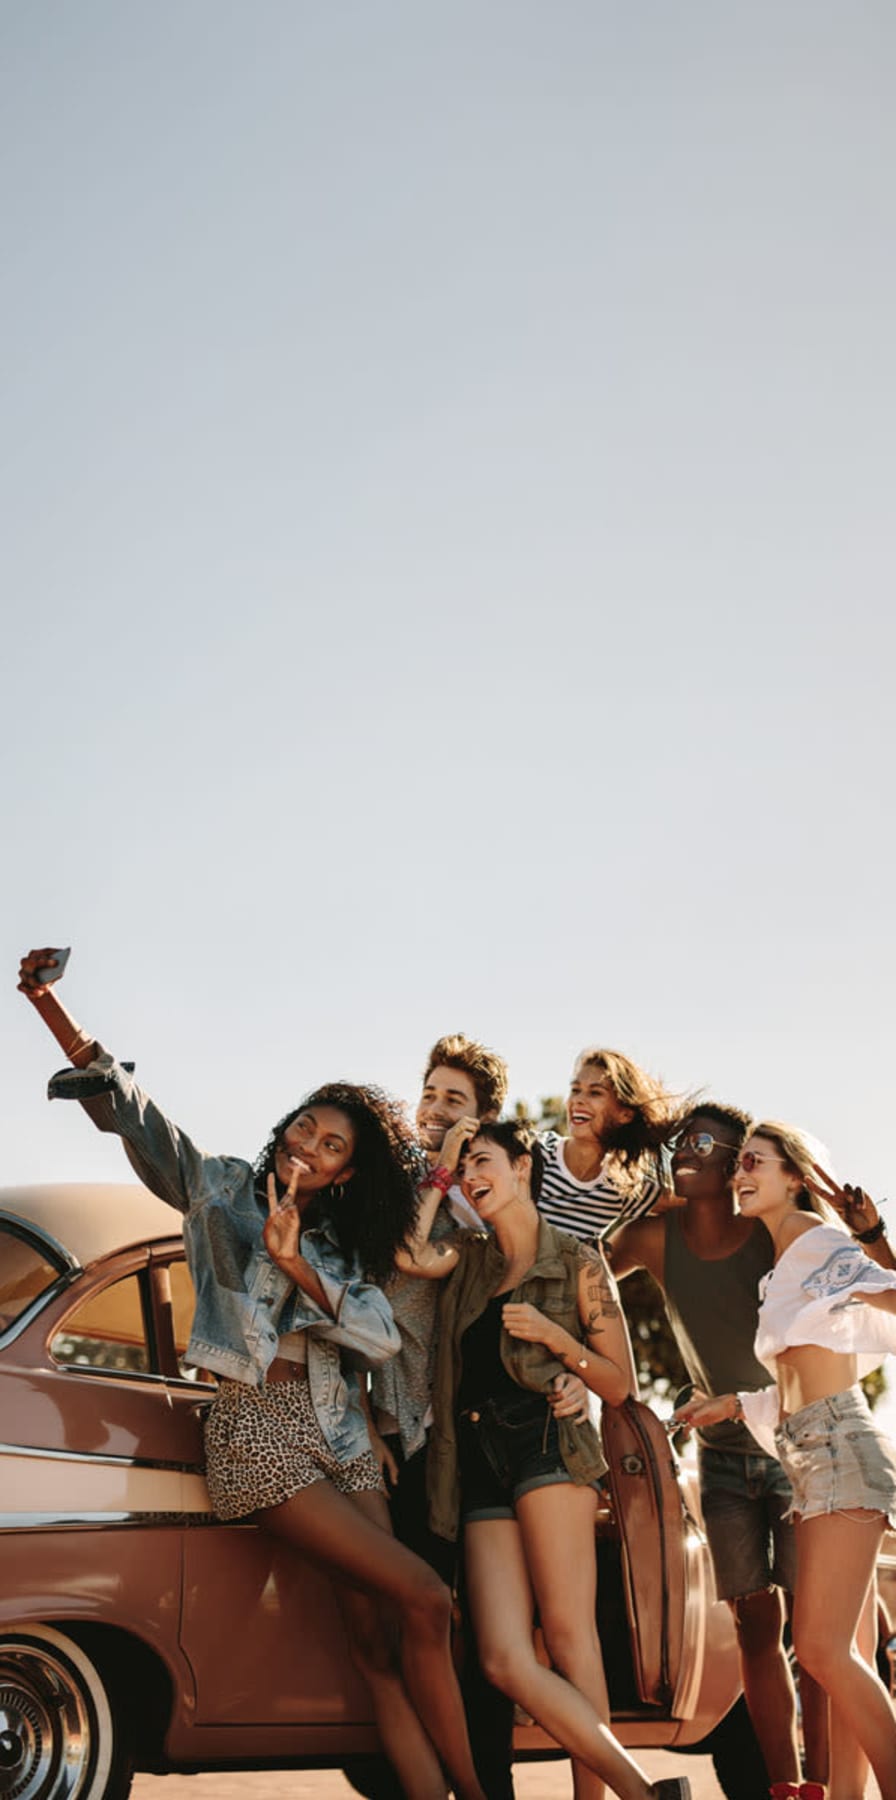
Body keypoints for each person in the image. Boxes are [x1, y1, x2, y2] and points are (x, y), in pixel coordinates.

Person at [18, 948, 487, 1800]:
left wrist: (300, 1264)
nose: (311, 1144)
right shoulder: (222, 1190)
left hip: (343, 1435)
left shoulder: (344, 1242)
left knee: (380, 1647)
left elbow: (378, 1337)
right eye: (305, 1127)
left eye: (333, 1144)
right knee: (428, 1599)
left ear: (349, 1170)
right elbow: (137, 1116)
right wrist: (50, 1005)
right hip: (255, 1431)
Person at [400, 1116, 691, 1800]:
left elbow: (616, 1384)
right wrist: (441, 1163)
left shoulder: (580, 1261)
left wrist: (562, 1344)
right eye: (464, 1166)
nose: (473, 1176)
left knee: (568, 1636)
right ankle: (645, 1794)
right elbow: (410, 1252)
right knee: (502, 1657)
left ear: (523, 1165)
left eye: (482, 1161)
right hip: (473, 1456)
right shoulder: (467, 1257)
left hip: (547, 1443)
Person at [607, 1103, 827, 1793]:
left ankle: (825, 1783)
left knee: (817, 1636)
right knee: (757, 1627)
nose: (686, 1151)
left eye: (704, 1143)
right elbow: (582, 1278)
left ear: (738, 1162)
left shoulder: (771, 1231)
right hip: (722, 1458)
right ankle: (783, 1786)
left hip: (796, 1444)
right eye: (681, 1142)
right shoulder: (652, 1237)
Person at [673, 1121, 896, 1800]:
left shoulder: (815, 1239)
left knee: (821, 1649)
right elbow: (804, 1378)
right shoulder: (786, 1263)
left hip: (838, 1449)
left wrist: (870, 1236)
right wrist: (734, 1406)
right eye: (739, 1163)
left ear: (795, 1176)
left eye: (755, 1162)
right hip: (810, 1447)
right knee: (843, 1652)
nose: (740, 1173)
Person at [537, 1047, 682, 1244]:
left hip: (569, 1273)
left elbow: (696, 1202)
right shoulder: (534, 1151)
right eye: (575, 1090)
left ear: (625, 1114)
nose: (578, 1100)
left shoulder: (621, 1187)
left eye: (595, 1093)